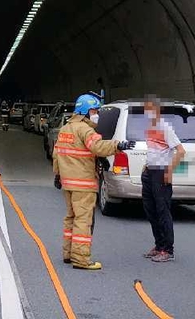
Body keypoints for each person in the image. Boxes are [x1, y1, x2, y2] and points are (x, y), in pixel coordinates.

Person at [52, 93, 133, 271]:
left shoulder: (66, 129)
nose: (96, 114)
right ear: (86, 111)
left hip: (68, 183)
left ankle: (68, 253)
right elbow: (98, 147)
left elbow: (57, 154)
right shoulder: (86, 130)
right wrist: (118, 145)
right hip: (83, 183)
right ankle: (80, 259)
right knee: (83, 220)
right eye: (95, 111)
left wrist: (57, 175)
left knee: (70, 218)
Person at [141, 96, 186, 263]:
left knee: (162, 211)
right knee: (150, 210)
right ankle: (159, 245)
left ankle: (168, 249)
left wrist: (169, 171)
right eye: (146, 110)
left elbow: (181, 151)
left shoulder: (165, 128)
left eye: (150, 109)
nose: (147, 113)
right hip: (150, 172)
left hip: (161, 174)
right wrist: (146, 165)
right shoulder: (150, 128)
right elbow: (154, 151)